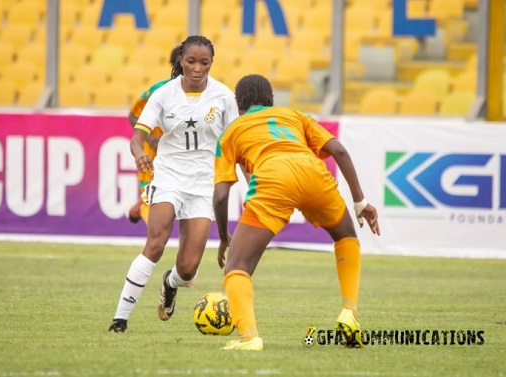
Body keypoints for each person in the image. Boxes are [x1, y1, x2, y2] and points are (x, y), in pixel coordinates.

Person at [212, 74, 380, 350]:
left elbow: (220, 196)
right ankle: (349, 311)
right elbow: (338, 150)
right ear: (271, 101)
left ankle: (250, 337)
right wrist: (360, 202)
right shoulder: (294, 115)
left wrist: (223, 236)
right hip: (312, 172)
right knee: (345, 235)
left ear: (238, 105)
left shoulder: (231, 132)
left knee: (237, 267)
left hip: (274, 177)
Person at [108, 35, 240, 333]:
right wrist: (140, 153)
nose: (197, 68)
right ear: (181, 60)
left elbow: (235, 141)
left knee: (188, 268)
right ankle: (120, 319)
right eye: (191, 61)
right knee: (155, 243)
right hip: (168, 176)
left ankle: (170, 283)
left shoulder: (223, 97)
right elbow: (137, 137)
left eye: (204, 63)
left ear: (211, 63)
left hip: (204, 184)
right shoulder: (164, 94)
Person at [127, 45, 181, 224]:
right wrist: (150, 138)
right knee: (150, 193)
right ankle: (147, 215)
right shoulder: (158, 90)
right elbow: (133, 115)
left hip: (181, 153)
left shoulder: (202, 93)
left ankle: (142, 208)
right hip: (154, 150)